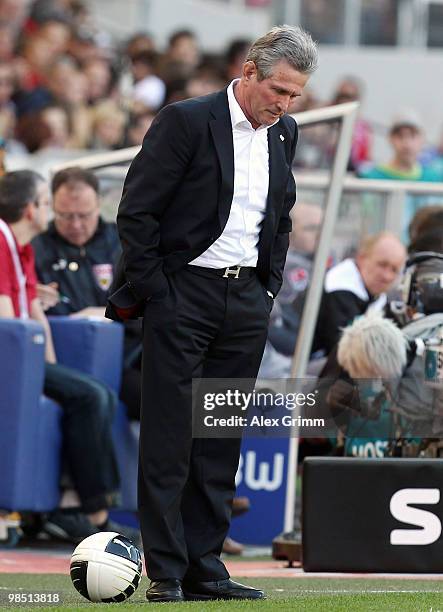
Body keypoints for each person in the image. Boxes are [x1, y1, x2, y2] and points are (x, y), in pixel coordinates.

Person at [112, 25, 318, 602]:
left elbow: (279, 217)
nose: (284, 104)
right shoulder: (185, 120)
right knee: (170, 436)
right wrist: (157, 291)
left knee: (220, 439)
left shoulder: (286, 133)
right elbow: (137, 212)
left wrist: (267, 288)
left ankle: (206, 564)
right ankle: (168, 570)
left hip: (245, 302)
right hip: (183, 294)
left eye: (295, 95)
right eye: (278, 89)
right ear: (248, 71)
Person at [0, 170, 139, 544]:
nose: (68, 222)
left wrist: (50, 367)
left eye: (83, 215)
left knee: (95, 393)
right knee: (91, 395)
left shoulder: (22, 247)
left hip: (27, 358)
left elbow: (33, 314)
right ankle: (92, 514)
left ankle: (87, 509)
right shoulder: (5, 241)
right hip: (11, 359)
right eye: (50, 206)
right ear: (31, 210)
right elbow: (9, 321)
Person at [32, 167, 143, 421]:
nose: (76, 225)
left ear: (99, 206)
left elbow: (146, 301)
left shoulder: (123, 242)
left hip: (127, 353)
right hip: (68, 357)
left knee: (187, 391)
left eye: (84, 215)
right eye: (65, 216)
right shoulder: (37, 249)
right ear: (51, 208)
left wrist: (109, 315)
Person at [312, 231, 406, 357]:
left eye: (394, 270)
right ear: (362, 259)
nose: (387, 276)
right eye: (382, 265)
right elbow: (341, 350)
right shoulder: (339, 288)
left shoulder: (376, 296)